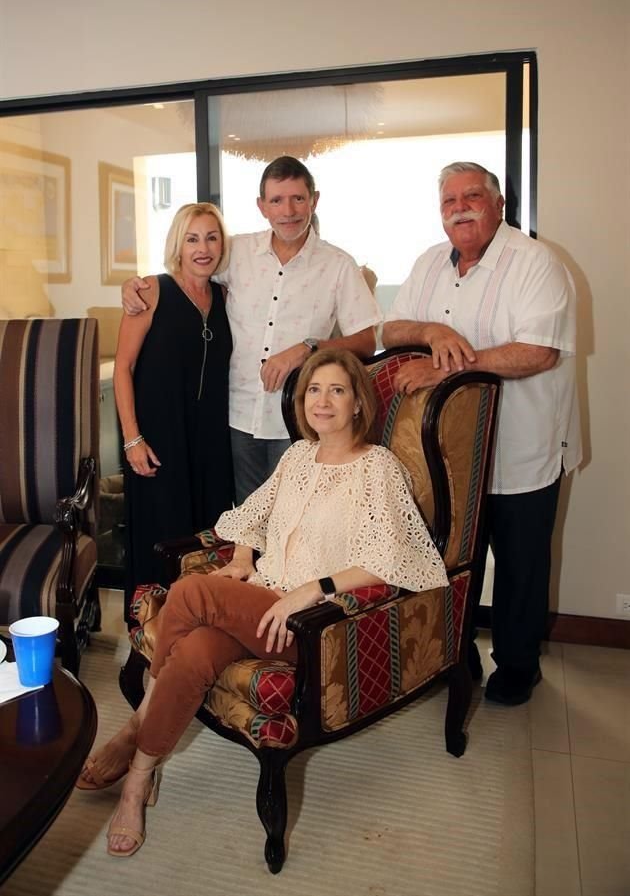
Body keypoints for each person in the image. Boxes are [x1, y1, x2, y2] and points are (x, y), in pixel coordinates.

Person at [77, 348, 448, 857]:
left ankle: (135, 727)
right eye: (314, 391)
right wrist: (245, 555)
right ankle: (140, 779)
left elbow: (396, 558)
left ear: (358, 403)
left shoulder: (376, 468)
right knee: (195, 653)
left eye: (337, 390)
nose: (323, 401)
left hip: (309, 627)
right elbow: (252, 513)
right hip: (260, 601)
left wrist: (310, 589)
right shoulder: (297, 458)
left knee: (189, 591)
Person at [382, 161, 581, 706]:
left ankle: (519, 663)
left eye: (472, 196)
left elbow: (537, 350)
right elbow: (390, 328)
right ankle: (456, 650)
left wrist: (446, 365)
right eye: (449, 200)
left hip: (523, 443)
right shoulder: (428, 262)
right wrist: (430, 330)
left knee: (520, 560)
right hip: (445, 452)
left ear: (499, 205)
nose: (460, 207)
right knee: (446, 555)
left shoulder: (536, 262)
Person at [122, 157, 381, 503]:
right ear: (262, 206)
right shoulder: (235, 252)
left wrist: (308, 348)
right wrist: (137, 286)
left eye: (298, 199)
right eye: (276, 200)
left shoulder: (338, 265)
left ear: (314, 200)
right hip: (233, 422)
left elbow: (367, 340)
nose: (288, 211)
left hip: (298, 423)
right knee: (242, 527)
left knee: (294, 527)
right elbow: (189, 274)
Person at [113, 202, 234, 625]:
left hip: (211, 444)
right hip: (157, 441)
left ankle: (196, 628)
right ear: (178, 245)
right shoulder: (151, 290)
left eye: (212, 237)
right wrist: (132, 438)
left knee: (207, 539)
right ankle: (149, 630)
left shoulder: (224, 296)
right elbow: (122, 369)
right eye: (192, 238)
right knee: (160, 539)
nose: (203, 248)